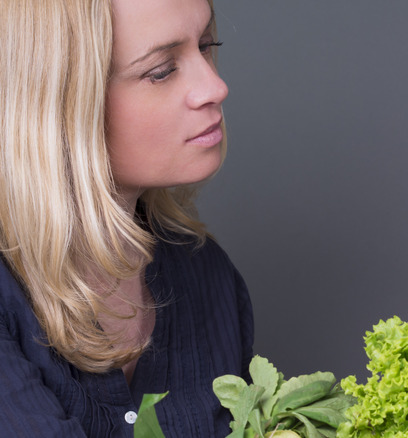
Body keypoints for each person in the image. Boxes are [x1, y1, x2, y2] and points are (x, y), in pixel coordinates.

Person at [0, 0, 253, 436]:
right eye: (161, 70)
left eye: (206, 45)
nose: (214, 86)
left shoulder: (207, 274)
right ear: (58, 101)